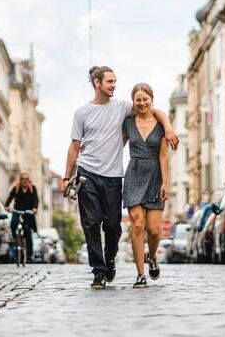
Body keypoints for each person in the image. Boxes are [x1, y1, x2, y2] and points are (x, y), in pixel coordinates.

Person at [61, 65, 178, 290]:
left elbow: (153, 111)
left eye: (115, 82)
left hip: (114, 175)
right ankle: (99, 272)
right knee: (91, 223)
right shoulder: (82, 112)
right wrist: (67, 177)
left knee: (113, 227)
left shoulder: (123, 107)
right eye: (110, 82)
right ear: (97, 83)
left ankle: (110, 258)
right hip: (87, 173)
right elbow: (74, 146)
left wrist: (169, 127)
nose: (114, 85)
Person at [122, 83, 169, 289]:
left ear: (151, 99)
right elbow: (116, 145)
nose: (141, 103)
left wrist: (165, 182)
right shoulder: (128, 123)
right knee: (137, 225)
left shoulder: (161, 124)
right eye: (138, 99)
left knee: (155, 230)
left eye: (145, 99)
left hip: (155, 175)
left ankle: (152, 257)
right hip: (133, 173)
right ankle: (140, 274)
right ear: (133, 101)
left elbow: (164, 156)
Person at [5, 172, 39, 259]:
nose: (24, 181)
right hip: (18, 211)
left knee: (28, 233)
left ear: (29, 180)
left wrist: (35, 208)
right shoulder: (16, 188)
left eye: (26, 179)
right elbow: (10, 197)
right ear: (20, 180)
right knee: (13, 223)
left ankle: (29, 255)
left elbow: (36, 199)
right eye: (23, 179)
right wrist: (7, 206)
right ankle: (15, 238)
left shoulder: (32, 189)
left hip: (28, 212)